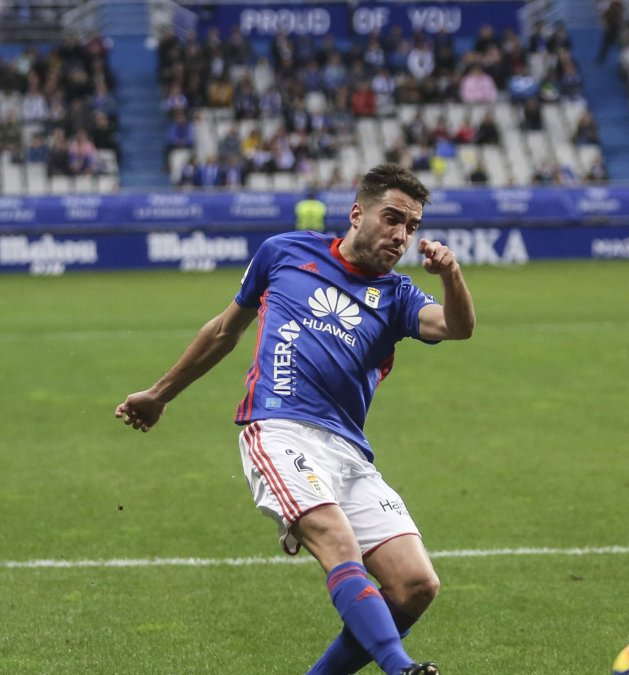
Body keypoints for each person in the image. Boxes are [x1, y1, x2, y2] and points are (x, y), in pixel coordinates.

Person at [115, 164, 476, 675]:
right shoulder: (284, 252)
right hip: (278, 429)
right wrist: (158, 393)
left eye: (412, 226)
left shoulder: (398, 296)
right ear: (358, 213)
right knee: (336, 538)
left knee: (416, 585)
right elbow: (224, 331)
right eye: (392, 218)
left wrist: (451, 275)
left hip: (349, 451)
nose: (401, 234)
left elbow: (458, 327)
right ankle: (401, 668)